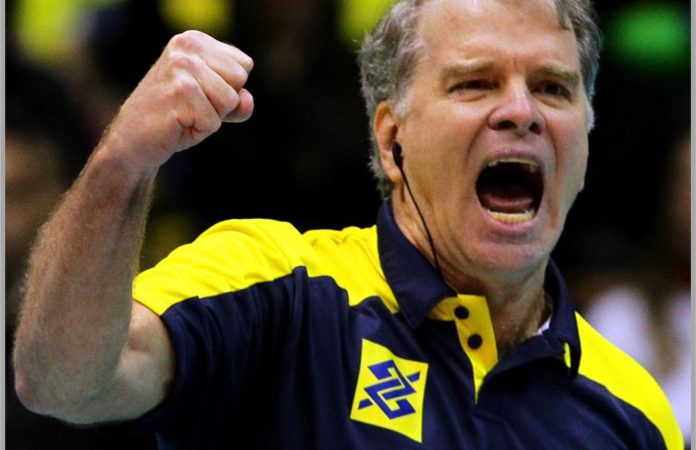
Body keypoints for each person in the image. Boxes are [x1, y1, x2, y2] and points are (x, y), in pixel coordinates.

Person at [13, 0, 683, 449]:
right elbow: (65, 380)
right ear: (392, 141)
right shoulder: (277, 286)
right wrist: (121, 163)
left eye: (553, 88)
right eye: (474, 84)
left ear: (585, 142)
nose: (521, 111)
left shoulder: (634, 410)